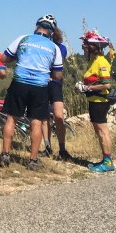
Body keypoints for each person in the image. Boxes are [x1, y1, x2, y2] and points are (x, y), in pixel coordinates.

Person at [0, 15, 64, 170]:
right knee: (36, 122)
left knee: (11, 119)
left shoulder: (23, 38)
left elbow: (4, 58)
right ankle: (33, 160)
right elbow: (58, 75)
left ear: (37, 26)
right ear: (52, 32)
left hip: (20, 82)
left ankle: (5, 155)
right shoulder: (54, 48)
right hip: (40, 86)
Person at [76, 31, 115, 173]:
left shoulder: (101, 62)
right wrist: (83, 86)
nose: (83, 49)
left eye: (85, 47)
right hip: (93, 100)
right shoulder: (93, 61)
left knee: (102, 131)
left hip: (100, 100)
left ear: (92, 48)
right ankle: (105, 159)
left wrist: (87, 87)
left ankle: (108, 162)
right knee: (99, 131)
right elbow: (93, 80)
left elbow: (107, 84)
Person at [43, 22, 72, 160]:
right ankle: (47, 147)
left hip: (55, 83)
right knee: (44, 117)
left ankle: (62, 149)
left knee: (58, 116)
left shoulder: (61, 48)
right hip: (42, 83)